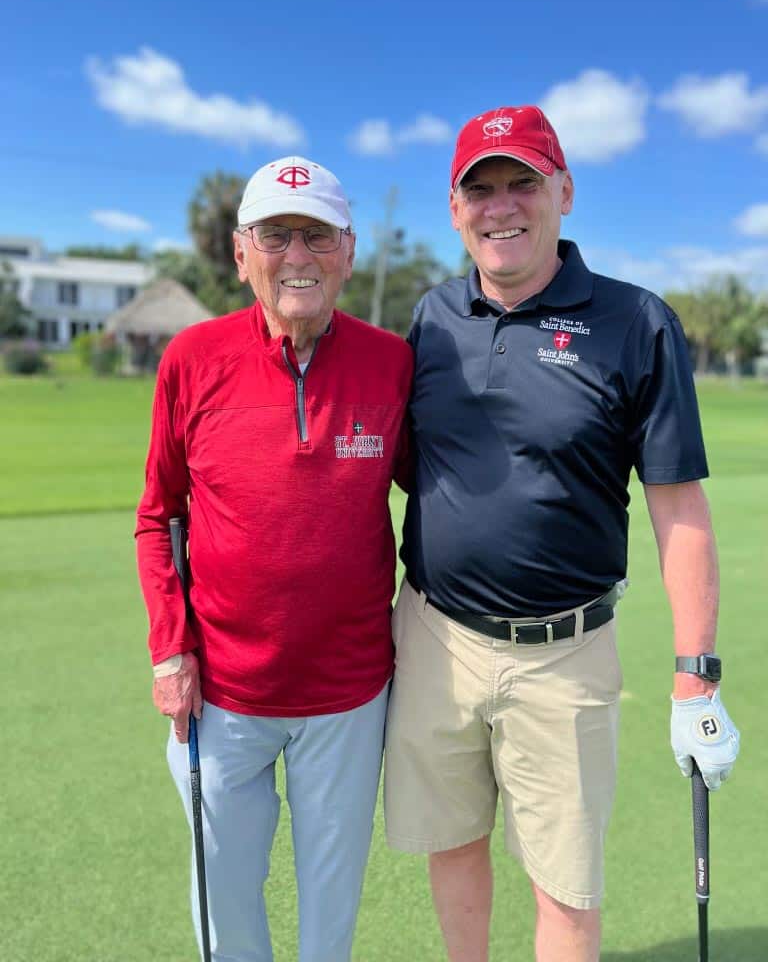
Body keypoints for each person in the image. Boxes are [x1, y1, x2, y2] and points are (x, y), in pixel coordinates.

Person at [383, 106, 740, 962]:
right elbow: (400, 466)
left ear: (565, 193)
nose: (502, 206)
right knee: (452, 844)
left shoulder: (635, 322)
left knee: (568, 887)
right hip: (434, 635)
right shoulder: (430, 319)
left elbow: (678, 508)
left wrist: (697, 678)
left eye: (523, 184)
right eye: (483, 190)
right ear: (456, 209)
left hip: (565, 652)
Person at [136, 155, 412, 962]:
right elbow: (158, 517)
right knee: (223, 896)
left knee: (332, 906)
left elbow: (442, 498)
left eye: (318, 235)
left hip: (350, 692)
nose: (298, 255)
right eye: (276, 235)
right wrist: (167, 650)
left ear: (349, 251)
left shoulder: (391, 361)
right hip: (221, 691)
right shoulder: (192, 358)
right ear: (240, 251)